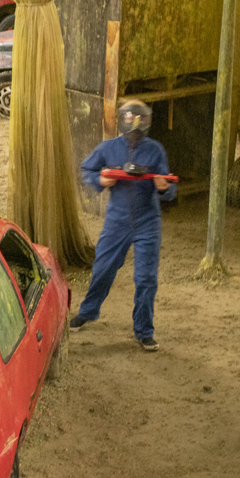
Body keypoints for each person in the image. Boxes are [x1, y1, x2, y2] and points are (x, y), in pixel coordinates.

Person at [69, 101, 175, 351]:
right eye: (131, 118)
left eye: (141, 119)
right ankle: (87, 312)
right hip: (117, 220)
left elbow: (170, 187)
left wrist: (164, 188)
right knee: (103, 268)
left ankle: (144, 331)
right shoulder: (108, 148)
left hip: (148, 221)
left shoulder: (155, 150)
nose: (136, 125)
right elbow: (86, 169)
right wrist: (100, 179)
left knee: (146, 277)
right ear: (122, 119)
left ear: (148, 121)